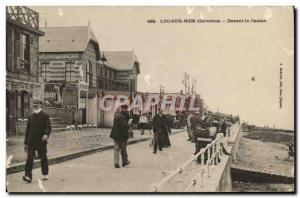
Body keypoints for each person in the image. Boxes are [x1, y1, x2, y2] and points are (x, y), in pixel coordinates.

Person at [23, 101, 51, 183]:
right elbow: (28, 131)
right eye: (33, 104)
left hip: (41, 141)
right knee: (29, 158)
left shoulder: (45, 116)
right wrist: (26, 143)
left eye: (36, 104)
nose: (35, 105)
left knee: (43, 157)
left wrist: (46, 134)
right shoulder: (30, 117)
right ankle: (28, 176)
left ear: (40, 105)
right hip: (31, 141)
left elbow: (48, 127)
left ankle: (45, 173)